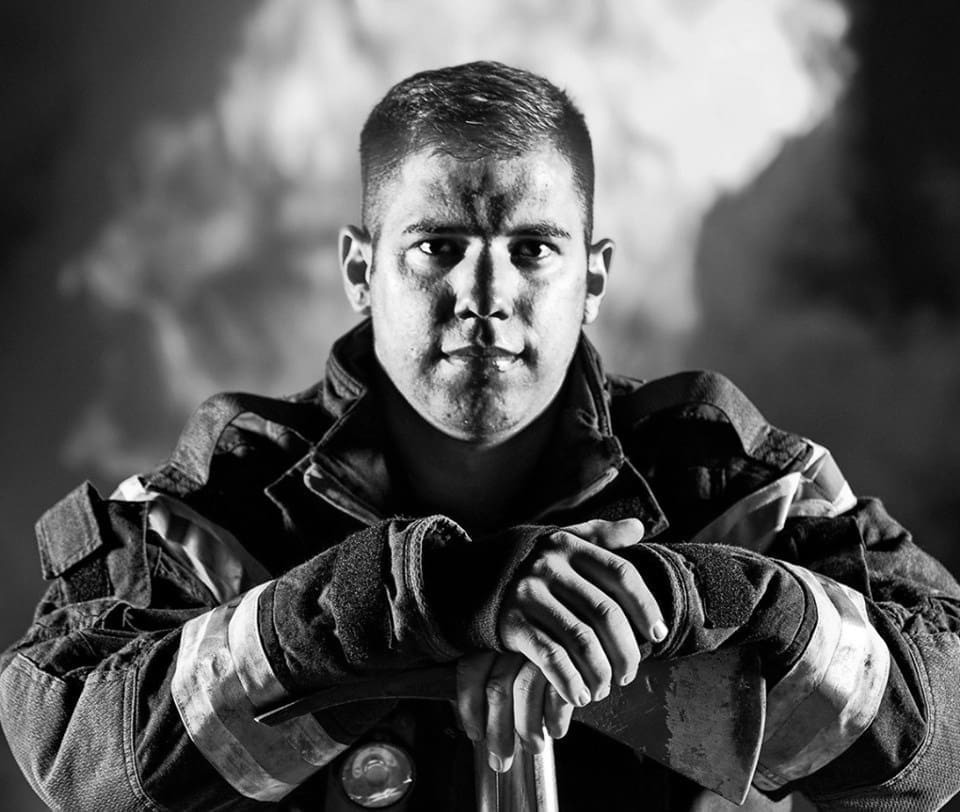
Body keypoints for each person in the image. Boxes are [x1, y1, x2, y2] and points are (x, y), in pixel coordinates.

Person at [2, 61, 958, 812]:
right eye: (439, 246)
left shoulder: (728, 486)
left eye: (533, 249)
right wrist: (428, 594)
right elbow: (79, 752)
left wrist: (684, 598)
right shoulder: (226, 503)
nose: (486, 295)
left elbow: (940, 739)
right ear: (361, 270)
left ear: (593, 279)